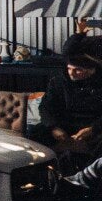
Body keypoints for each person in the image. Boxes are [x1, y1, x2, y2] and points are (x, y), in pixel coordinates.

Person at [31, 36, 102, 166]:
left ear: (91, 70)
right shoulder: (58, 82)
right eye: (69, 68)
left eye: (77, 70)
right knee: (35, 133)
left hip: (94, 126)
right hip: (65, 125)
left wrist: (93, 129)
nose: (71, 73)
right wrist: (53, 127)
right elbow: (45, 107)